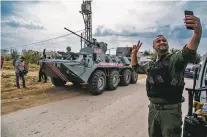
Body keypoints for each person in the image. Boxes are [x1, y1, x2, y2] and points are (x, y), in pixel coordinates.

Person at [132, 14, 202, 137]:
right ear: (154, 46)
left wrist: (197, 33)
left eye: (164, 40)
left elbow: (188, 52)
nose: (162, 42)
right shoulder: (152, 63)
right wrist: (133, 54)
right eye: (158, 41)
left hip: (170, 112)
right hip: (153, 110)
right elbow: (136, 69)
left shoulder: (175, 59)